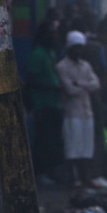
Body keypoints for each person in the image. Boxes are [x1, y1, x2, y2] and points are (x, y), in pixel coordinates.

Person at [55, 30, 102, 189]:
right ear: (69, 48)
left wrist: (79, 84)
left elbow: (96, 84)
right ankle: (73, 178)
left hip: (87, 111)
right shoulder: (62, 66)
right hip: (72, 112)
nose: (78, 51)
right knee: (72, 147)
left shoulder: (85, 66)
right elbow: (70, 90)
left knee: (86, 147)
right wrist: (85, 86)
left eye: (80, 48)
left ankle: (85, 178)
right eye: (76, 48)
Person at [25, 20, 65, 182]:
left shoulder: (51, 53)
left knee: (52, 140)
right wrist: (53, 88)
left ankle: (50, 171)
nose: (55, 37)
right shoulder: (38, 54)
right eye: (52, 34)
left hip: (54, 104)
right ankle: (40, 172)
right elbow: (32, 80)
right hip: (43, 103)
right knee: (42, 140)